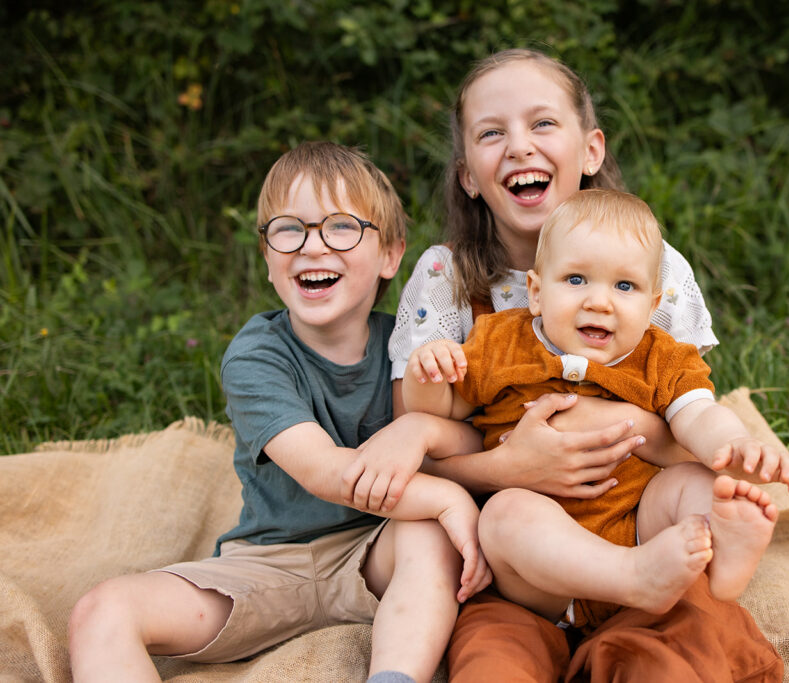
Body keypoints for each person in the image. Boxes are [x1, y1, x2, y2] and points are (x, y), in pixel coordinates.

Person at [380, 49, 786, 681]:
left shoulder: (655, 267)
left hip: (642, 530)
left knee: (688, 610)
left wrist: (704, 445)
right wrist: (509, 464)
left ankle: (715, 567)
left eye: (542, 124)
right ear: (467, 175)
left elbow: (690, 422)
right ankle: (620, 590)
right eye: (492, 133)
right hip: (524, 569)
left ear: (591, 150)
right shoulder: (449, 280)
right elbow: (416, 447)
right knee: (494, 650)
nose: (519, 147)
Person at [66, 142, 490, 683]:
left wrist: (426, 430)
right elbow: (324, 471)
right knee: (101, 610)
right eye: (289, 230)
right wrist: (447, 496)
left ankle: (394, 677)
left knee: (429, 538)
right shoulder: (256, 355)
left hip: (376, 552)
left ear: (390, 255)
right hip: (270, 562)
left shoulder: (409, 348)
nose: (313, 247)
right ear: (267, 257)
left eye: (341, 228)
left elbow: (473, 440)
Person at [403, 189, 789, 632]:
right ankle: (632, 579)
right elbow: (441, 409)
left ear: (652, 308)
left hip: (640, 532)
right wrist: (428, 374)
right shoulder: (500, 341)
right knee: (504, 514)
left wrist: (735, 444)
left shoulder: (659, 357)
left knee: (695, 481)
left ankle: (724, 556)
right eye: (576, 280)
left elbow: (699, 413)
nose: (599, 301)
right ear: (534, 292)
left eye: (624, 286)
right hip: (544, 581)